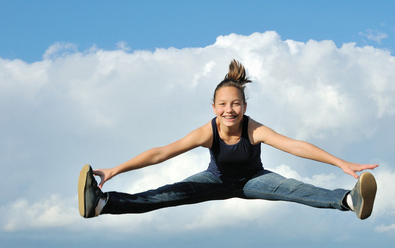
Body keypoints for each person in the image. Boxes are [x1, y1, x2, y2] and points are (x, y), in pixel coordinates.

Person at [78, 60, 378, 220]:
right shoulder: (208, 131)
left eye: (235, 104)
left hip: (254, 180)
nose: (229, 110)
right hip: (215, 180)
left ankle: (351, 200)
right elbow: (161, 154)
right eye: (222, 105)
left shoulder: (254, 129)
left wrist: (341, 162)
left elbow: (295, 146)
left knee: (296, 189)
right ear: (214, 108)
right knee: (163, 196)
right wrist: (115, 170)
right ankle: (102, 203)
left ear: (244, 107)